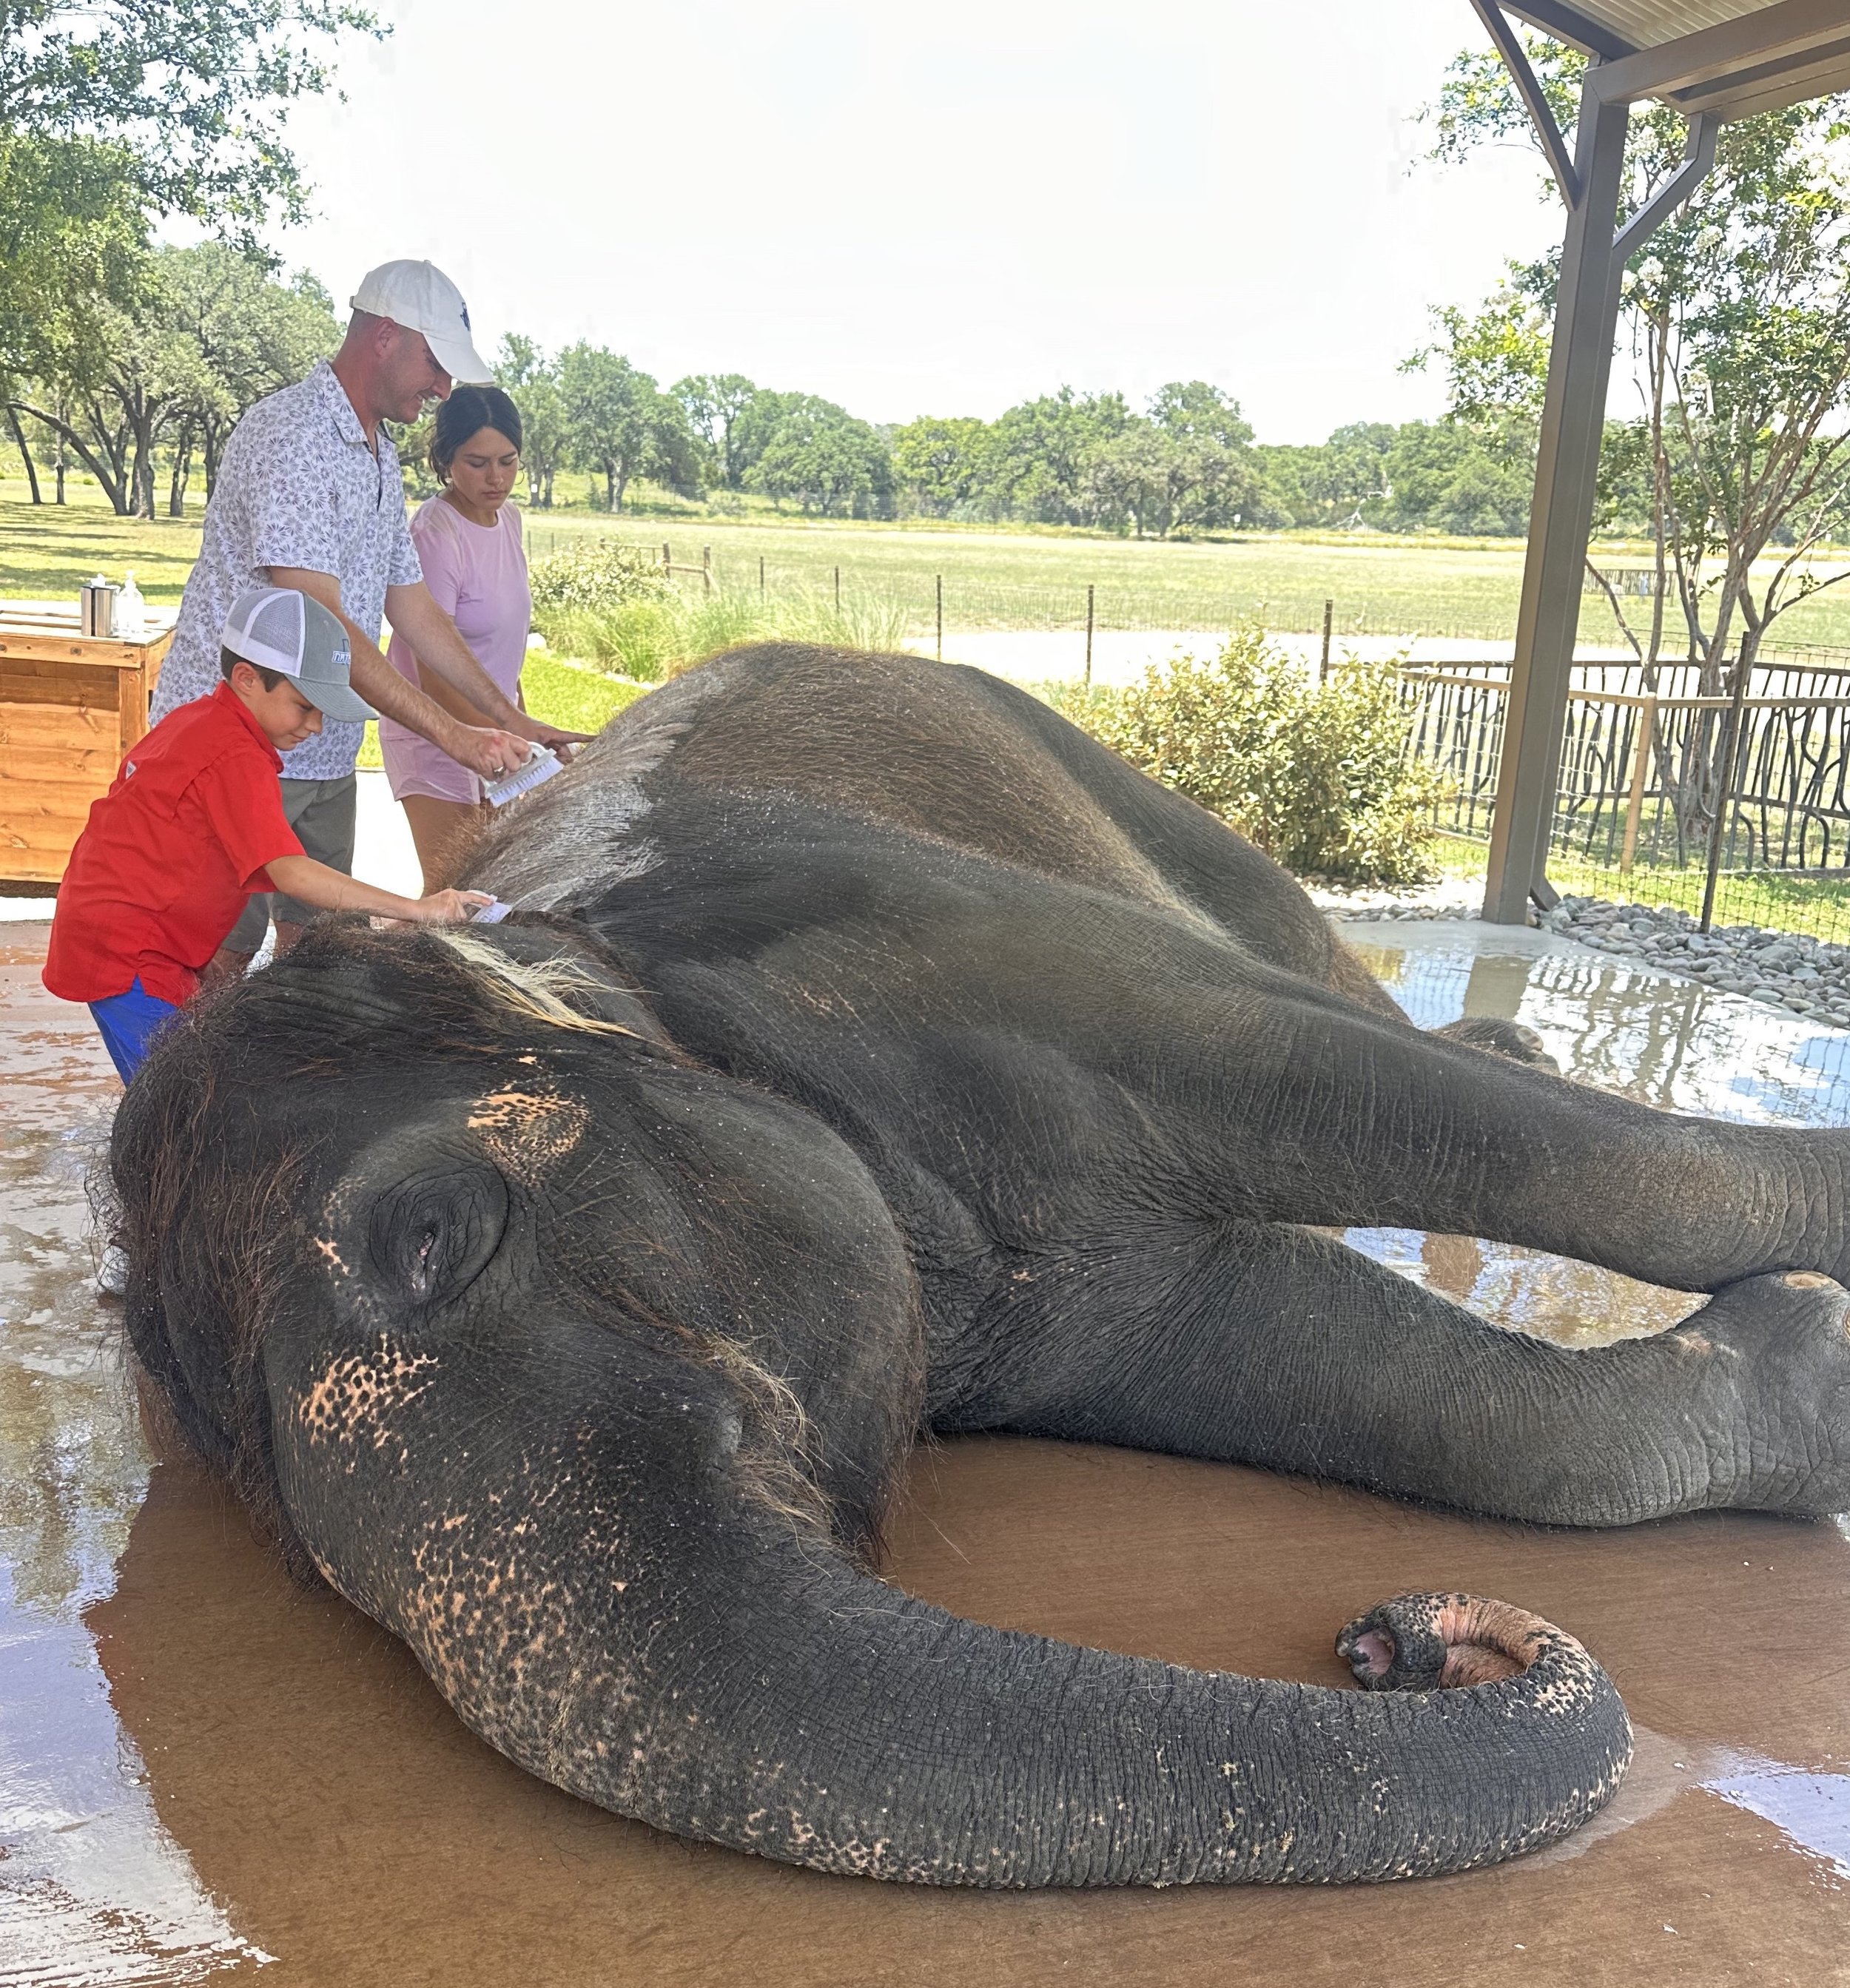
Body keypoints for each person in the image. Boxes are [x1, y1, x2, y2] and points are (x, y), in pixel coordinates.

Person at [148, 257, 585, 979]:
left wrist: (509, 717)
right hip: (233, 746)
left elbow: (410, 605)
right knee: (211, 953)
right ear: (385, 336)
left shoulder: (380, 453)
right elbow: (321, 623)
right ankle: (187, 1092)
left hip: (321, 747)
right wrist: (452, 736)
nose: (444, 387)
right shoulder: (292, 435)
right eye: (436, 363)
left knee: (318, 950)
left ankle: (281, 1086)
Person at [44, 587, 491, 1088]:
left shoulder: (204, 722)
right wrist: (417, 908)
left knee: (200, 1083)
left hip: (136, 938)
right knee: (182, 1108)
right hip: (128, 955)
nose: (317, 725)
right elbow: (291, 870)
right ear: (247, 679)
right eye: (304, 706)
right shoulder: (233, 753)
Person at [382, 383, 532, 888]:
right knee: (455, 890)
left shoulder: (509, 520)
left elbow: (505, 647)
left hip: (497, 735)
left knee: (493, 886)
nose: (496, 478)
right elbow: (433, 669)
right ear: (445, 459)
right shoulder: (435, 533)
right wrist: (497, 737)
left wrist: (519, 719)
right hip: (433, 734)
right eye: (477, 462)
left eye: (507, 461)